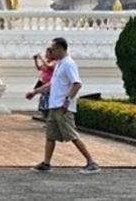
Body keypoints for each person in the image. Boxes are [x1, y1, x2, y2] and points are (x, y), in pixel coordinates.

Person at [26, 37, 101, 175]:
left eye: (53, 49)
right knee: (50, 135)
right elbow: (51, 84)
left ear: (61, 48)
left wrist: (67, 99)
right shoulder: (59, 64)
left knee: (72, 135)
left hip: (63, 106)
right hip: (54, 105)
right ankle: (46, 162)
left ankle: (91, 162)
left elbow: (77, 83)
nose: (51, 52)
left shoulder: (68, 64)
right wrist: (35, 92)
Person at [33, 48, 55, 118]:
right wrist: (36, 60)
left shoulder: (54, 62)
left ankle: (48, 116)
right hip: (43, 84)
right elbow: (39, 68)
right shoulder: (46, 61)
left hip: (50, 85)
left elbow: (49, 66)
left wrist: (41, 58)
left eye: (48, 53)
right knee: (43, 100)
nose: (46, 54)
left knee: (48, 100)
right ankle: (45, 115)